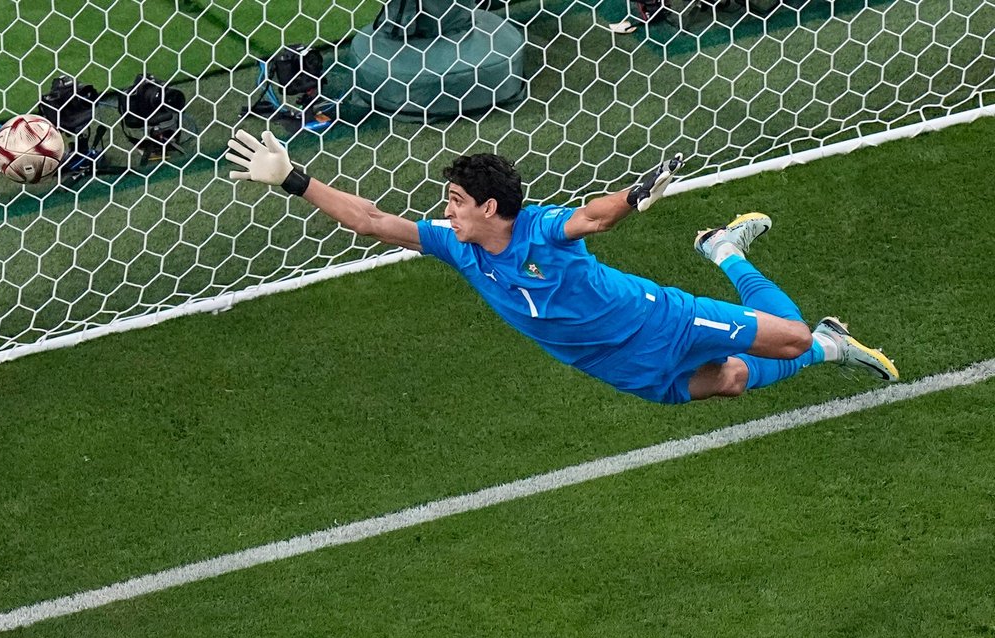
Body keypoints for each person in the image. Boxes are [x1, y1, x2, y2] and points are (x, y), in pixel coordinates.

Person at [225, 129, 898, 404]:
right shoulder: (459, 246)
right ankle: (744, 265)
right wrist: (293, 180)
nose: (445, 211)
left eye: (456, 202)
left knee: (794, 339)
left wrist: (635, 196)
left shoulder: (541, 230)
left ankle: (729, 256)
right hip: (613, 363)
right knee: (728, 382)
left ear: (491, 207)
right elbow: (373, 221)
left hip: (659, 321)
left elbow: (594, 217)